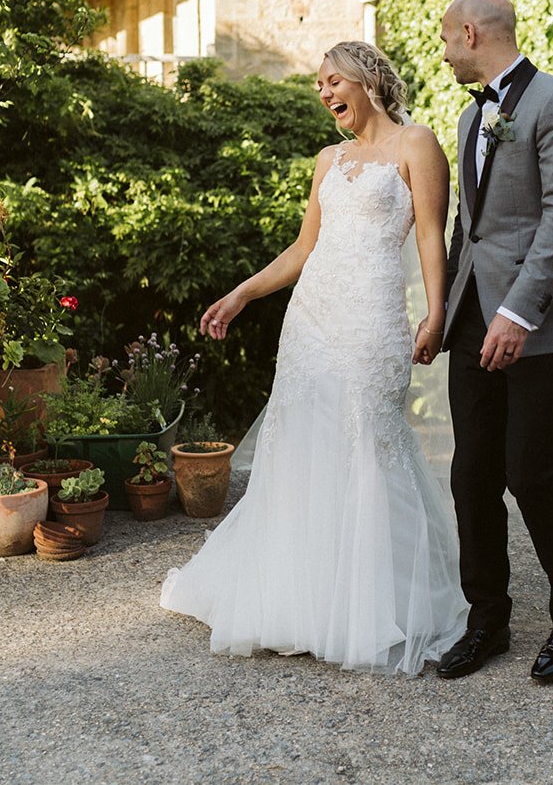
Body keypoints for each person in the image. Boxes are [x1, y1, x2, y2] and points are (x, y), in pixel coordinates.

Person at [160, 40, 468, 676]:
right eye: (319, 86)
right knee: (305, 443)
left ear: (366, 78)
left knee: (368, 440)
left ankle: (373, 604)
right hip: (311, 322)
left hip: (372, 322)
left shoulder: (417, 145)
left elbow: (431, 236)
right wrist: (242, 294)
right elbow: (304, 249)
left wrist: (436, 314)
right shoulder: (329, 158)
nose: (325, 94)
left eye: (333, 81)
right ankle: (303, 600)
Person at [434, 0, 553, 684]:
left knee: (532, 475)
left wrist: (518, 313)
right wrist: (444, 312)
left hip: (542, 323)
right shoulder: (468, 115)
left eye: (447, 39)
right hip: (473, 315)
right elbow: (468, 228)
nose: (445, 53)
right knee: (471, 473)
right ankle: (488, 619)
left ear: (471, 33)